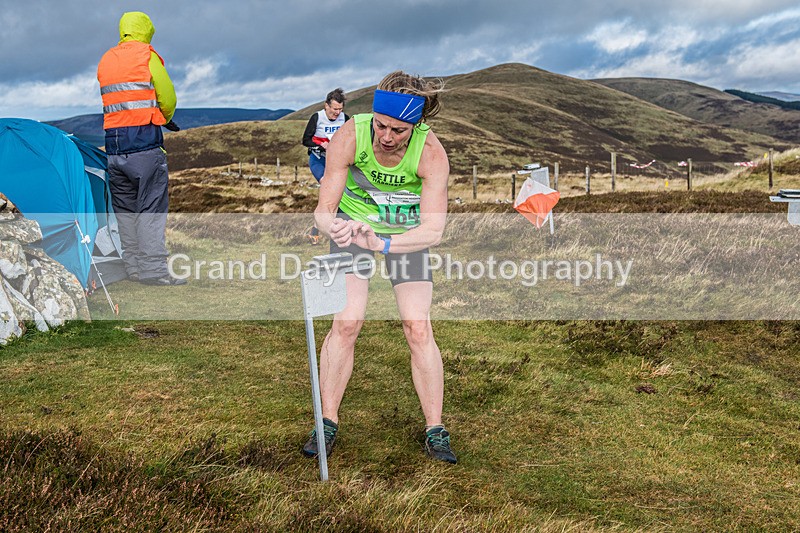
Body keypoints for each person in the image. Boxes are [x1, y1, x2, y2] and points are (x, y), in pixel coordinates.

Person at [303, 71, 456, 464]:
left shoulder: (431, 153)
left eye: (399, 130)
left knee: (417, 326)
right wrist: (341, 227)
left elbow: (434, 230)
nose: (387, 137)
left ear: (417, 125)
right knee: (347, 322)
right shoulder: (351, 135)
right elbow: (322, 214)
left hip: (406, 238)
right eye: (382, 126)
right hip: (352, 230)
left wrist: (384, 243)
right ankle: (326, 422)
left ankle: (435, 429)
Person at [97, 11, 185, 286]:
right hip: (145, 146)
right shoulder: (147, 55)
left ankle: (133, 268)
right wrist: (165, 118)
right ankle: (153, 271)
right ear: (146, 30)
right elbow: (167, 96)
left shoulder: (106, 59)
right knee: (151, 209)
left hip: (113, 148)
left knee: (125, 211)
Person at [301, 88, 349, 244]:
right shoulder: (318, 117)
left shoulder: (345, 118)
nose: (337, 112)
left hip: (337, 163)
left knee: (339, 195)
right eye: (334, 109)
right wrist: (323, 145)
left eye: (340, 109)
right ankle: (328, 230)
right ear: (326, 106)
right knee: (331, 190)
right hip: (319, 160)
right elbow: (305, 140)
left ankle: (319, 228)